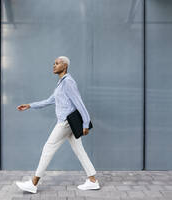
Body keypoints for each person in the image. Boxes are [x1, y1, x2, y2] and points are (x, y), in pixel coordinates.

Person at [15, 56, 100, 193]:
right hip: (69, 123)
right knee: (80, 151)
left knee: (48, 148)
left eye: (57, 63)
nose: (54, 65)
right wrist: (30, 105)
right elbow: (49, 101)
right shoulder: (61, 83)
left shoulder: (68, 83)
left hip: (66, 122)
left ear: (65, 66)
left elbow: (79, 103)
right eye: (53, 63)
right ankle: (92, 181)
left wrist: (85, 122)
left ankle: (33, 183)